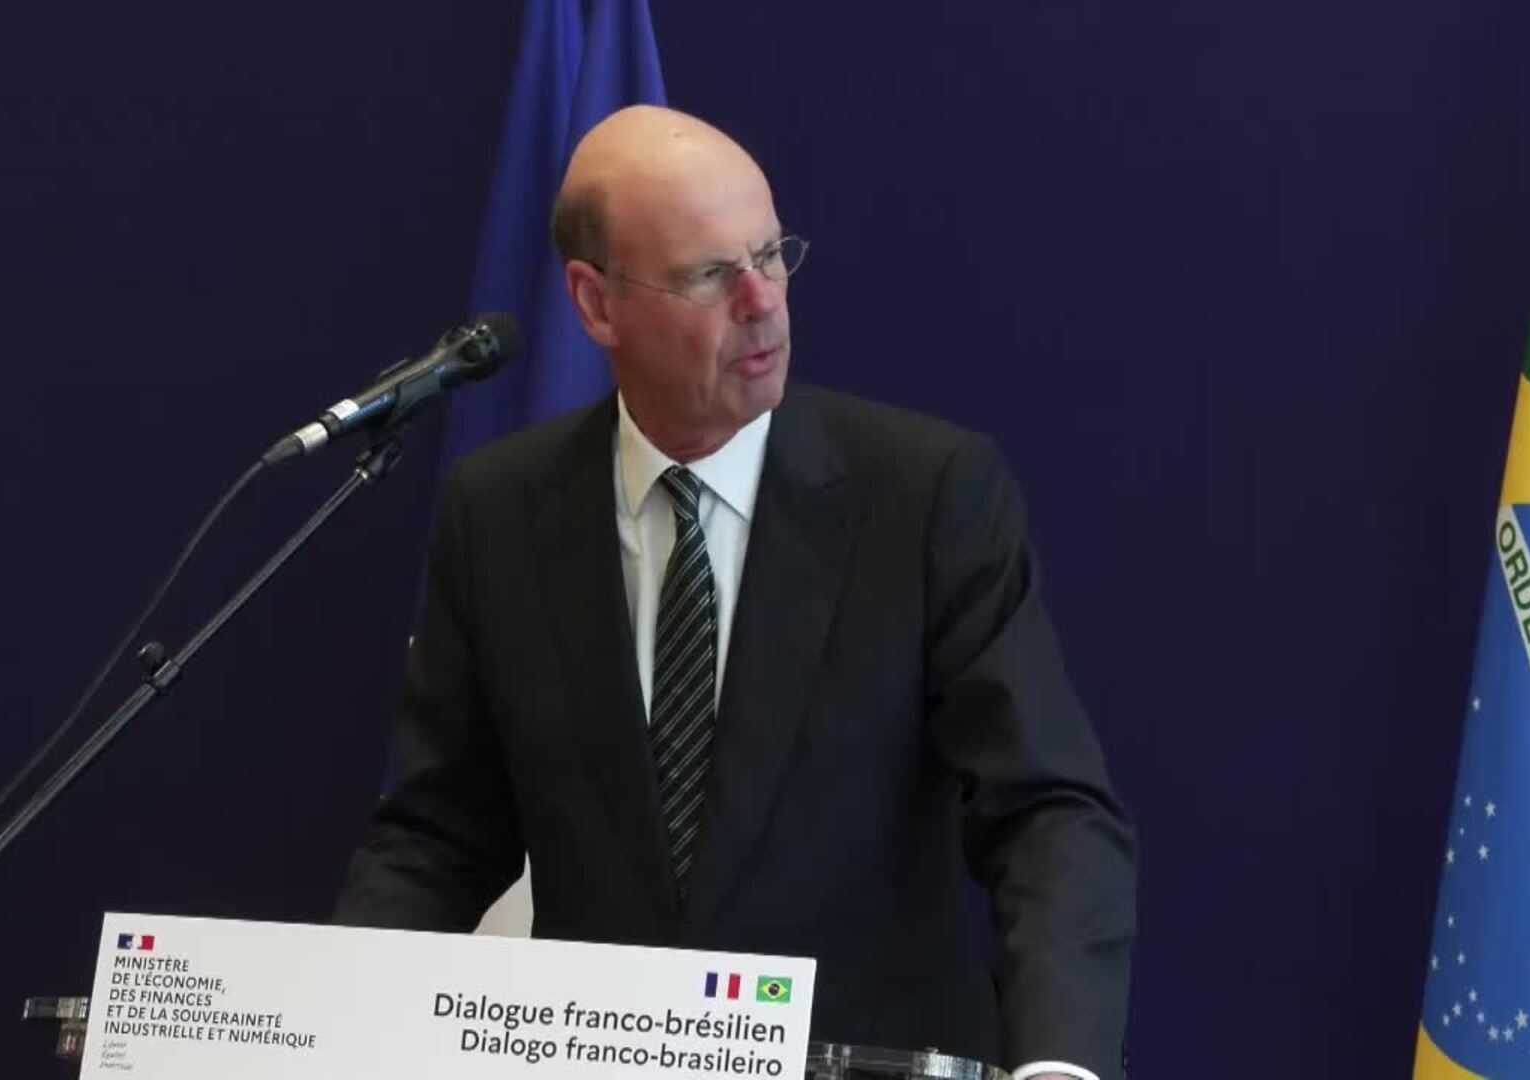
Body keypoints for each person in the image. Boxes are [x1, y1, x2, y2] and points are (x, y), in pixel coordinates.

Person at [334, 106, 1136, 1080]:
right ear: (595, 304)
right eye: (711, 274)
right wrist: (335, 1027)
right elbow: (440, 835)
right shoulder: (499, 511)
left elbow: (1047, 809)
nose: (763, 303)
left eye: (771, 255)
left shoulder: (923, 497)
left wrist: (1059, 1062)